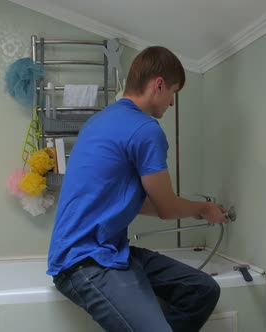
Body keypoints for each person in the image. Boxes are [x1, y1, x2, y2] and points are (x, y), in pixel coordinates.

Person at [47, 46, 229, 332]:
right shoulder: (145, 129)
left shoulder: (100, 121)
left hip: (111, 251)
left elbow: (130, 200)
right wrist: (203, 209)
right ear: (158, 85)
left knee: (202, 289)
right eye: (173, 93)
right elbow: (168, 209)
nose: (171, 104)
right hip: (84, 262)